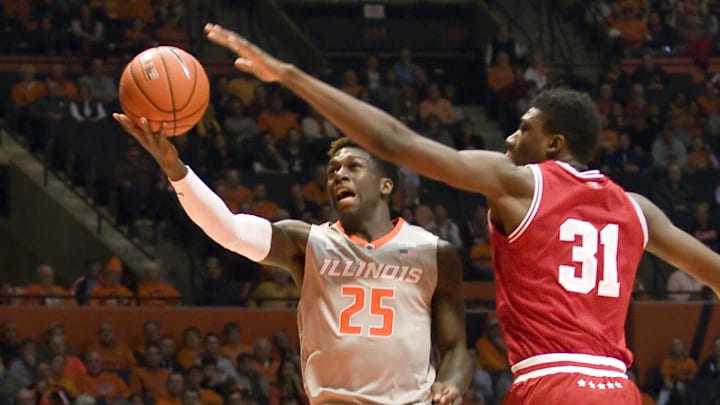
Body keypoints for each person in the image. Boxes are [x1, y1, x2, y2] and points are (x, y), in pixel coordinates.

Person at [201, 23, 720, 404]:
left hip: (552, 383)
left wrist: (289, 75)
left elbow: (395, 141)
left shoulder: (519, 180)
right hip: (620, 389)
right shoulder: (638, 209)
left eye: (524, 130)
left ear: (554, 143)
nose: (512, 138)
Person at [113, 112, 470, 404]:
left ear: (386, 185)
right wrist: (176, 170)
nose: (339, 174)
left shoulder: (434, 253)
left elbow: (455, 348)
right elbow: (229, 230)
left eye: (353, 167)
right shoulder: (307, 243)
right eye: (333, 171)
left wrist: (452, 383)